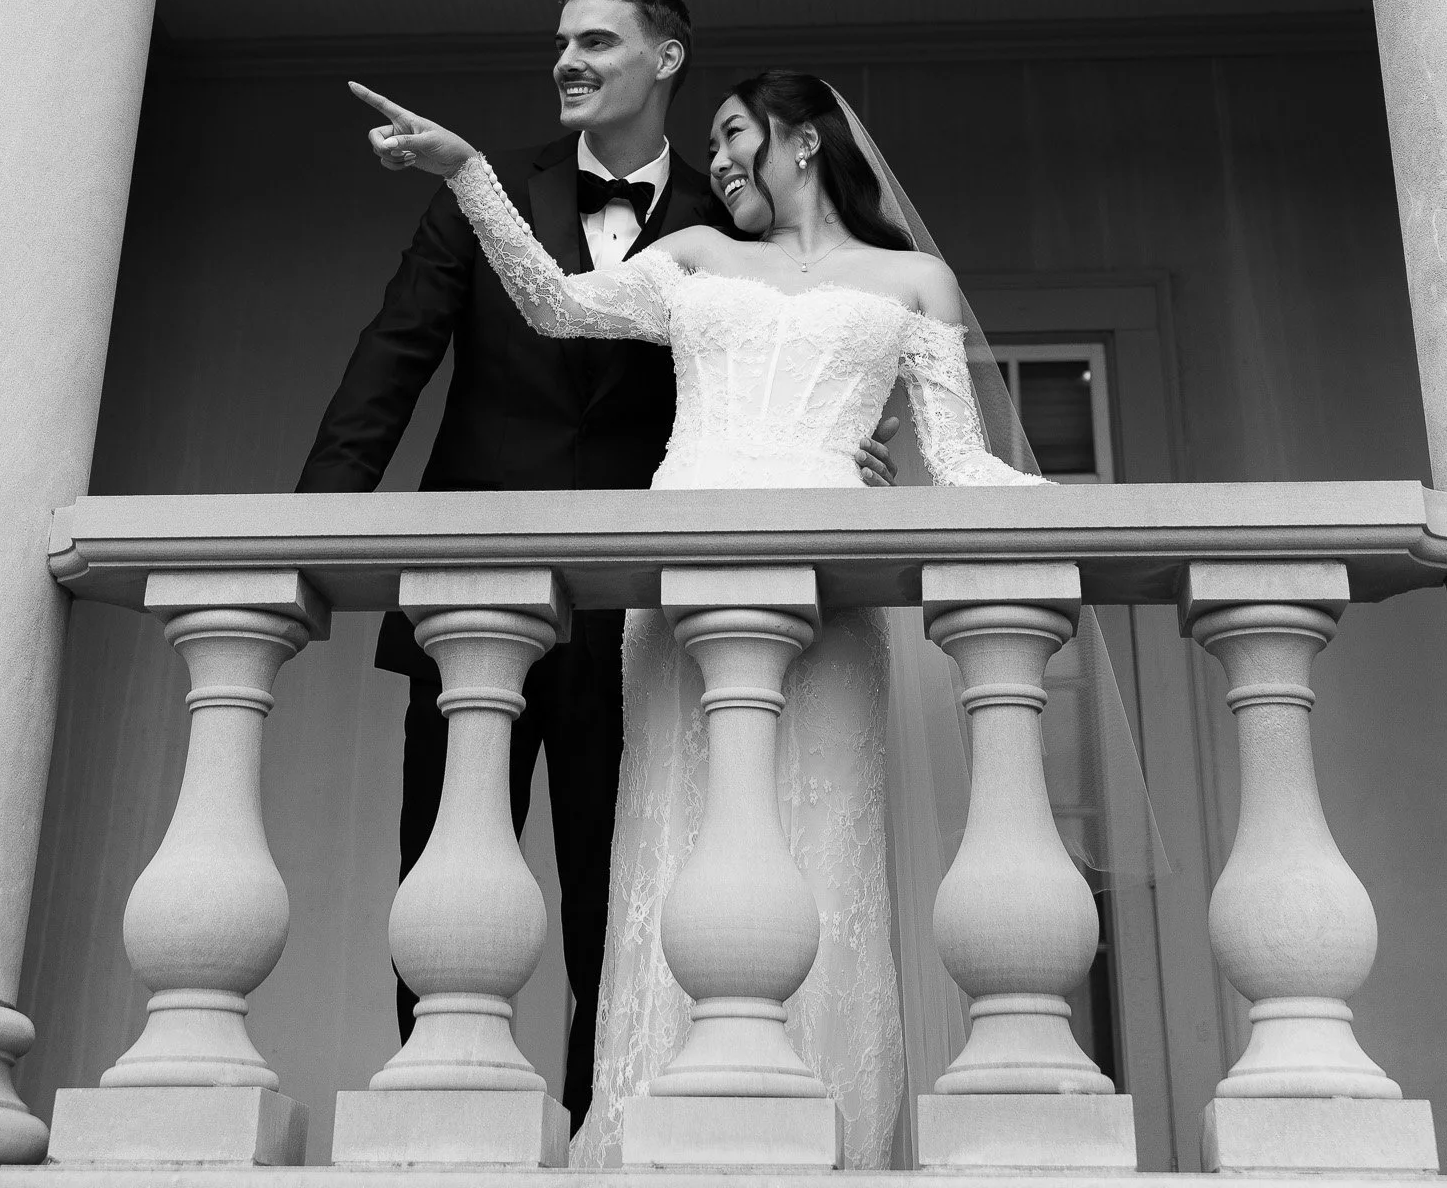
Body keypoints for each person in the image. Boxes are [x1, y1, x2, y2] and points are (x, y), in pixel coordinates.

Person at [348, 65, 1047, 1167]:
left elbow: (960, 464)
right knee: (669, 851)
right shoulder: (696, 257)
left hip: (827, 607)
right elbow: (555, 303)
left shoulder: (918, 282)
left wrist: (1076, 505)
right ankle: (646, 1136)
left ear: (804, 139)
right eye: (712, 145)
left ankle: (822, 1137)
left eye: (733, 135)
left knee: (821, 853)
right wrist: (470, 171)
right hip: (680, 608)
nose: (714, 161)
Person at [299, 0, 899, 1129]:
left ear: (665, 59)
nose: (567, 59)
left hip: (642, 612)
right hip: (471, 596)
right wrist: (316, 523)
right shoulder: (486, 191)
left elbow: (782, 368)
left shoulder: (732, 224)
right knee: (440, 872)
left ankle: (592, 1136)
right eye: (561, 41)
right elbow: (392, 356)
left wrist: (843, 456)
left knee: (615, 897)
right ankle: (435, 1134)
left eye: (596, 40)